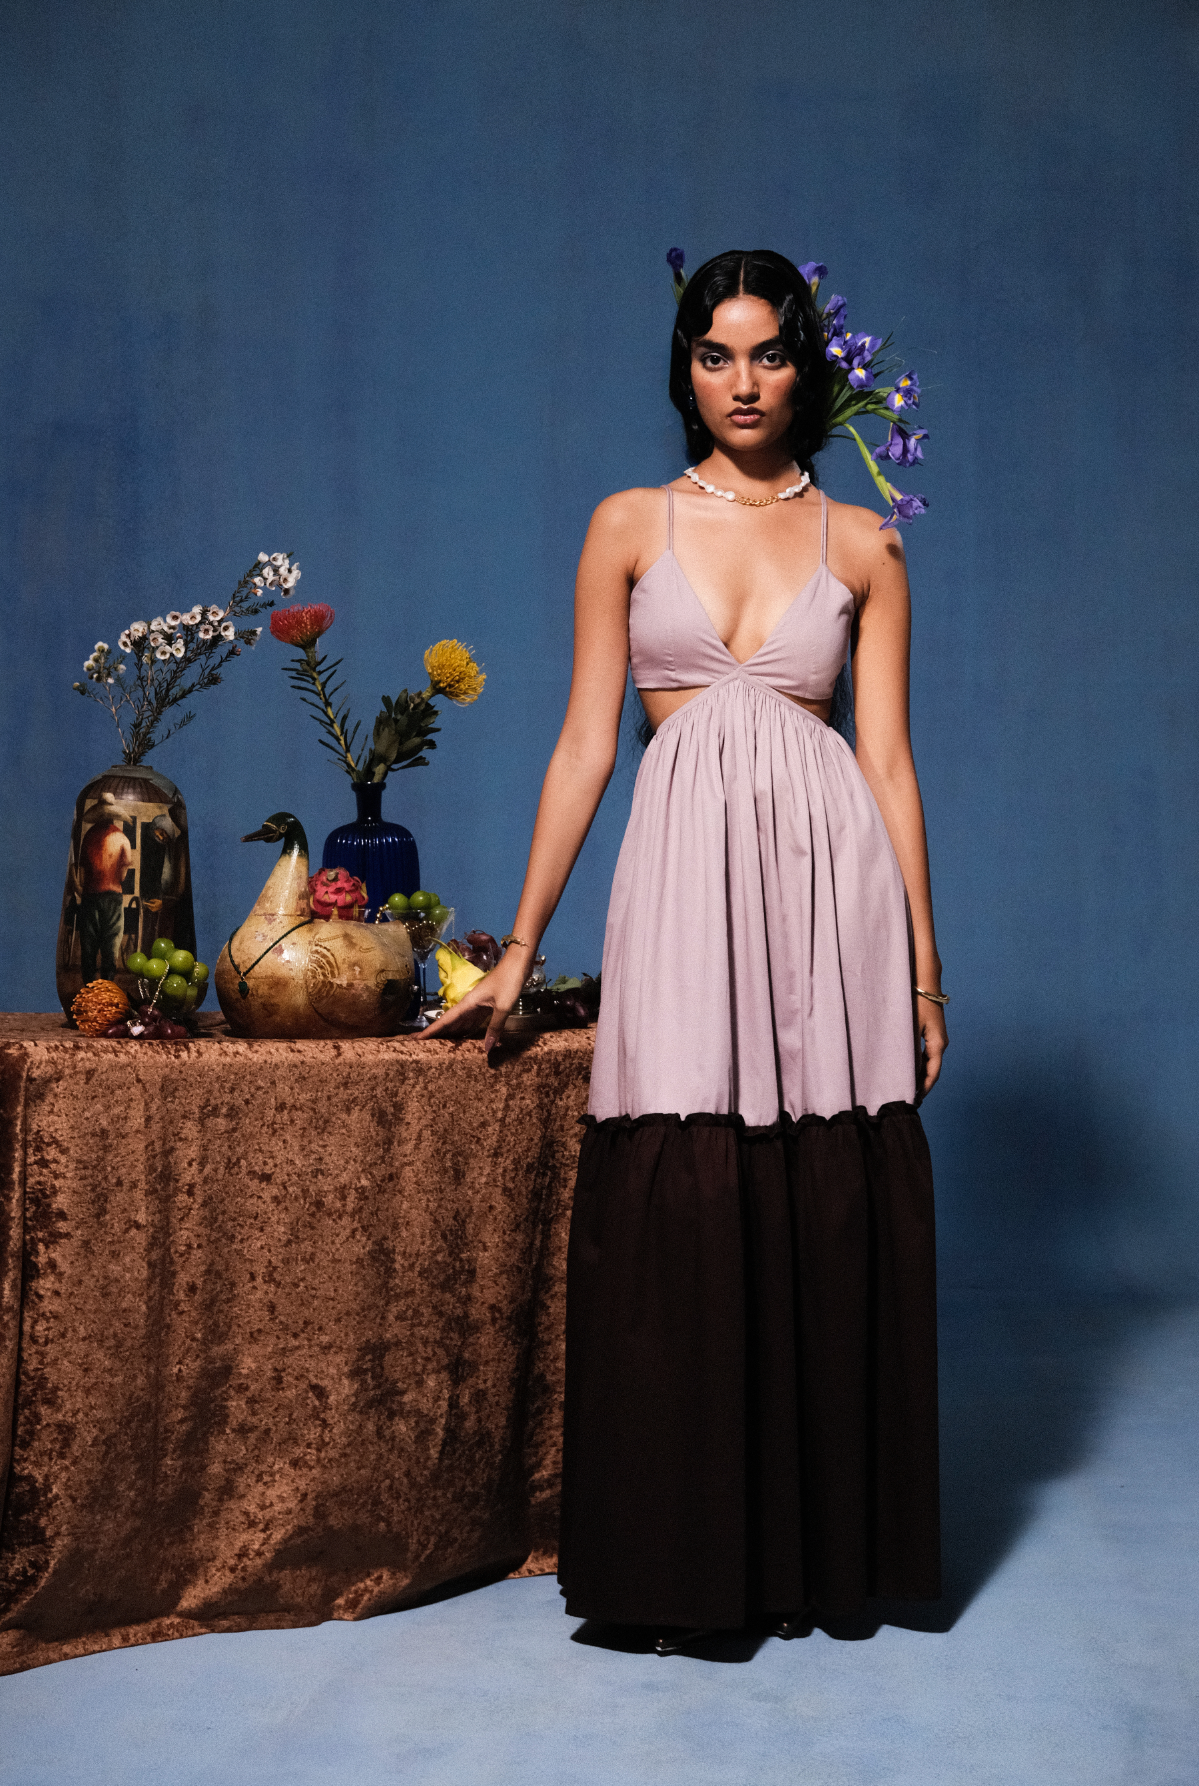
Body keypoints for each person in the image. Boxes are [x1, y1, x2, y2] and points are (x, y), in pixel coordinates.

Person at [424, 249, 948, 1652]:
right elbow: (585, 745)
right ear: (684, 368)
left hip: (828, 893)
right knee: (680, 1174)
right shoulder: (625, 525)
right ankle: (681, 1562)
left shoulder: (863, 544)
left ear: (805, 366)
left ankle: (819, 1557)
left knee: (817, 1185)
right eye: (715, 356)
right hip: (680, 884)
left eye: (767, 353)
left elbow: (886, 763)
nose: (742, 382)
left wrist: (920, 968)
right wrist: (519, 946)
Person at [77, 793, 134, 983]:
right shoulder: (122, 838)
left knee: (89, 944)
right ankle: (107, 985)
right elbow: (123, 875)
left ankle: (88, 986)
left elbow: (83, 871)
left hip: (90, 896)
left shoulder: (88, 836)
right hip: (112, 896)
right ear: (113, 815)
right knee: (111, 943)